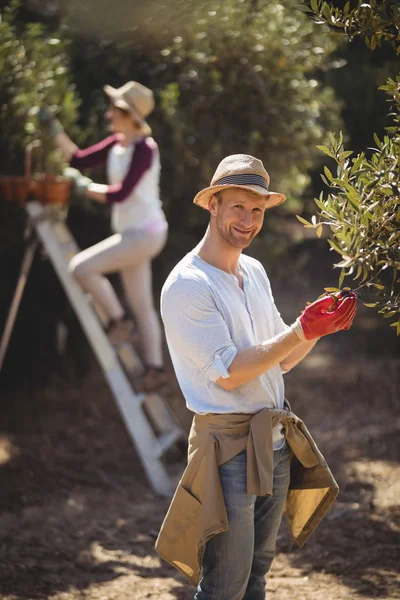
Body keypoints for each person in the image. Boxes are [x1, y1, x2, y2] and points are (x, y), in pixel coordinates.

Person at [156, 154, 357, 599]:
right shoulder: (189, 284)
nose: (248, 221)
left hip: (274, 443)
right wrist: (300, 330)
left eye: (258, 210)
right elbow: (229, 373)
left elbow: (279, 359)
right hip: (228, 450)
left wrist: (316, 330)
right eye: (238, 207)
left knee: (256, 577)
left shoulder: (253, 270)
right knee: (225, 585)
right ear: (213, 204)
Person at [39, 81, 168, 392]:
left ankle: (118, 321)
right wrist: (54, 130)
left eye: (114, 109)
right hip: (134, 234)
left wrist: (84, 188)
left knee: (81, 268)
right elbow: (79, 159)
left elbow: (121, 193)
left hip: (145, 234)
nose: (109, 113)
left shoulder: (144, 149)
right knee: (142, 304)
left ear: (127, 114)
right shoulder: (118, 143)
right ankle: (155, 369)